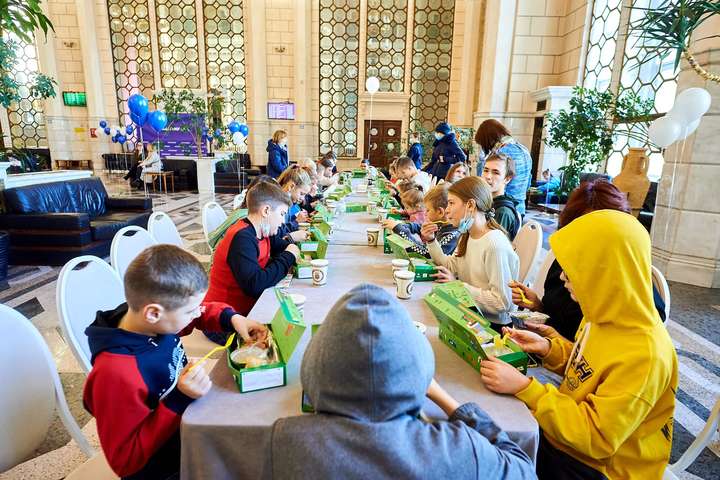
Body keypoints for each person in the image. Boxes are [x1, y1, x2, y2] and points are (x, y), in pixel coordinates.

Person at [262, 284, 535, 479]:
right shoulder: (459, 449)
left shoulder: (285, 443)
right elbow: (523, 469)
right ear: (420, 368)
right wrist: (446, 400)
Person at [481, 209, 678, 480]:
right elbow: (587, 368)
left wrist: (527, 389)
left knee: (491, 457)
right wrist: (549, 349)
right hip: (568, 435)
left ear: (608, 273)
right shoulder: (599, 314)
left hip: (601, 468)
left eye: (574, 270)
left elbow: (597, 438)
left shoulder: (646, 354)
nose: (562, 278)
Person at [83, 245, 268, 479]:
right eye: (190, 311)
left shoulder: (149, 321)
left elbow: (199, 313)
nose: (197, 313)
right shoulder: (115, 374)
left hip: (188, 423)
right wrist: (179, 398)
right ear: (153, 313)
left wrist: (232, 318)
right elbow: (126, 461)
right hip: (165, 464)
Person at [508, 180, 666, 341]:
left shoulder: (627, 277)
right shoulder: (566, 259)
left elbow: (602, 344)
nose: (564, 277)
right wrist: (537, 304)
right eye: (579, 226)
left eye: (596, 228)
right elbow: (558, 317)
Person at [420, 176, 519, 329]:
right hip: (470, 313)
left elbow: (501, 302)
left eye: (451, 203)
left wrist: (458, 286)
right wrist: (431, 241)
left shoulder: (494, 244)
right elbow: (450, 266)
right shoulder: (467, 235)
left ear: (471, 205)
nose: (447, 210)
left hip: (493, 326)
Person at [204, 181, 300, 317]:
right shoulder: (242, 237)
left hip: (247, 308)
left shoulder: (263, 231)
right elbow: (255, 285)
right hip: (225, 316)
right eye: (282, 213)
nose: (282, 221)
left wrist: (289, 251)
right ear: (266, 211)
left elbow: (284, 247)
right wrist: (288, 256)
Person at [382, 183, 459, 258]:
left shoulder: (451, 236)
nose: (424, 213)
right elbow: (420, 227)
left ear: (440, 212)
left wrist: (399, 229)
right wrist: (403, 225)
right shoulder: (440, 224)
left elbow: (426, 254)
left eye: (428, 210)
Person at [475, 119, 531, 216]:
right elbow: (528, 181)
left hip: (502, 207)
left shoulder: (500, 154)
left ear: (487, 139)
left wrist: (482, 160)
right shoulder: (524, 149)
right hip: (520, 206)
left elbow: (482, 181)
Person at [482, 153, 520, 241]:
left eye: (496, 172)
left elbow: (492, 245)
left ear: (507, 179)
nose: (488, 176)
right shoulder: (487, 202)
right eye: (486, 170)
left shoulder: (503, 212)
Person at [276, 166, 312, 241]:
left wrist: (296, 219)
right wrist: (296, 222)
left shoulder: (288, 202)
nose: (303, 198)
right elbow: (278, 234)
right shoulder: (278, 203)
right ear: (291, 186)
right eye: (302, 194)